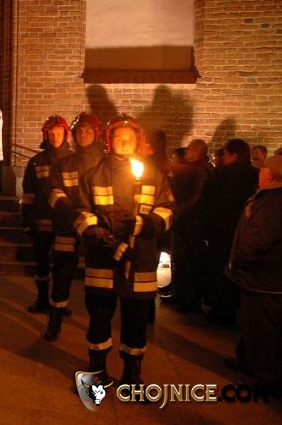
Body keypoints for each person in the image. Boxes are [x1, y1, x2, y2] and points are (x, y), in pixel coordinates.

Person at [73, 114, 173, 388]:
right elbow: (81, 214)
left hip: (140, 261)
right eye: (119, 137)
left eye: (129, 138)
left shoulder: (153, 175)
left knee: (136, 322)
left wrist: (145, 224)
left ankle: (132, 375)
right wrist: (106, 240)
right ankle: (97, 374)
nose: (124, 142)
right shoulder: (94, 175)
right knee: (99, 319)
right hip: (102, 260)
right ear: (110, 141)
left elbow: (167, 211)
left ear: (137, 141)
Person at [225, 154, 282, 398]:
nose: (259, 171)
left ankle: (264, 380)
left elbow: (259, 240)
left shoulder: (272, 202)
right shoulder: (267, 196)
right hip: (260, 278)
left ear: (272, 176)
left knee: (264, 330)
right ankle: (247, 362)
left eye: (263, 169)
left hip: (263, 279)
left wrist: (240, 260)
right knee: (252, 325)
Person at [44, 112, 104, 341]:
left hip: (96, 230)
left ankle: (98, 328)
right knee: (61, 277)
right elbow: (54, 193)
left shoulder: (105, 164)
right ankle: (54, 321)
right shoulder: (63, 164)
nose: (83, 134)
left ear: (96, 134)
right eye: (79, 130)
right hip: (67, 227)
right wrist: (73, 213)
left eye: (88, 130)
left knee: (98, 281)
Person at [202, 138, 258, 327]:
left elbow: (210, 202)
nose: (223, 157)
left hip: (222, 230)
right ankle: (233, 308)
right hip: (243, 230)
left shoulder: (223, 175)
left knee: (220, 270)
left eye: (225, 154)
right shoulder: (253, 175)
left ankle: (222, 310)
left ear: (233, 155)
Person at [21, 115, 72, 314]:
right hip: (42, 221)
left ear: (65, 134)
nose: (54, 137)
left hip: (65, 223)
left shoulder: (73, 160)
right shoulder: (36, 162)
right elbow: (28, 193)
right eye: (51, 133)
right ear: (45, 135)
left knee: (63, 266)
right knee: (41, 263)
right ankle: (42, 299)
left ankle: (60, 304)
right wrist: (26, 218)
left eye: (58, 133)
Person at [167, 139, 212, 312]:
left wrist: (178, 209)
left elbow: (196, 196)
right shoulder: (190, 169)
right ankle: (179, 293)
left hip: (192, 222)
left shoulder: (202, 170)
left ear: (197, 152)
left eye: (189, 149)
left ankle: (193, 299)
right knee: (179, 259)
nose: (186, 152)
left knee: (191, 262)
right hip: (182, 220)